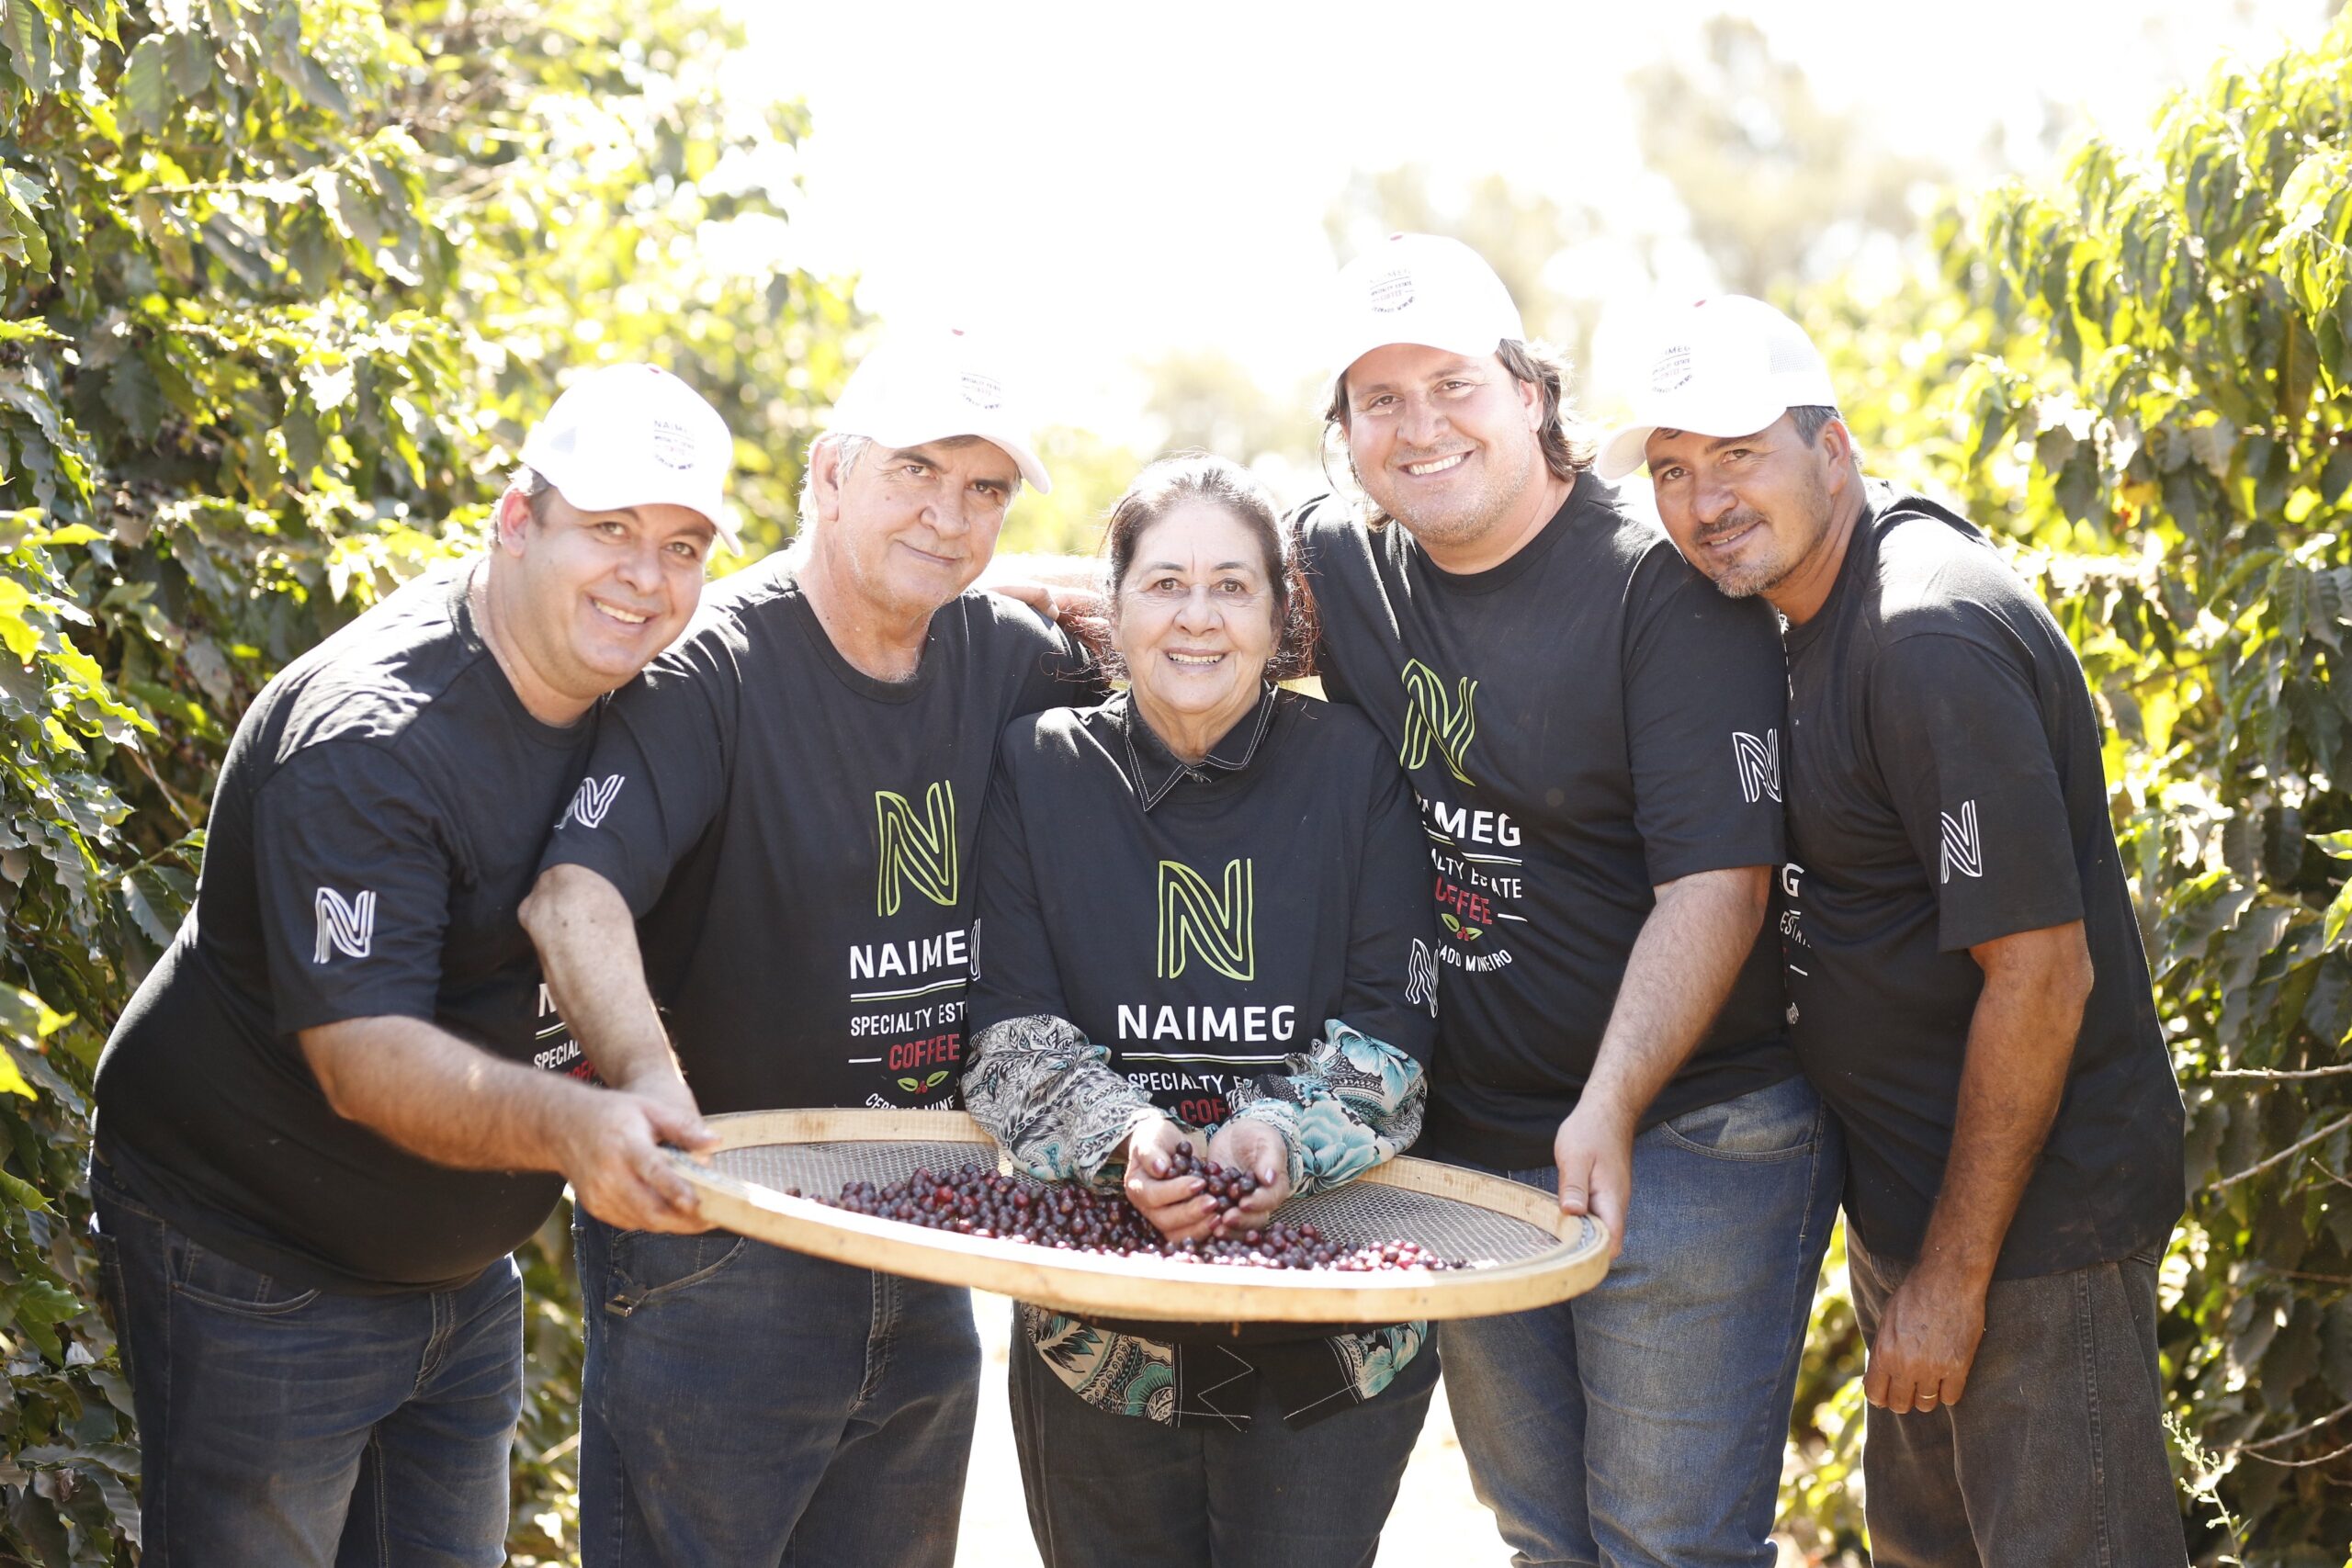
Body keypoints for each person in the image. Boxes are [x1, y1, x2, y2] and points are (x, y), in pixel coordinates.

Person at [87, 363, 736, 1565]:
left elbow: (803, 606)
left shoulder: (635, 678)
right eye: (610, 530)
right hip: (253, 1254)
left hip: (455, 1265)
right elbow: (363, 1056)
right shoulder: (373, 742)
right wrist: (582, 1128)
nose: (649, 578)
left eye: (683, 544)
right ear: (515, 519)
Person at [1606, 294, 2187, 1566]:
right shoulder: (1811, 604)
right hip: (1925, 1214)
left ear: (1835, 448)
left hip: (2029, 1233)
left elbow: (2041, 973)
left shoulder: (1925, 634)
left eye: (1737, 454)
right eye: (1672, 469)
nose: (1704, 502)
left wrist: (1955, 1276)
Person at [1294, 235, 1840, 1568]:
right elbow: (1173, 591)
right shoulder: (1351, 566)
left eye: (1453, 383)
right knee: (1544, 1536)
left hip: (1690, 1136)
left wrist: (1612, 1099)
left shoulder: (1654, 582)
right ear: (1348, 437)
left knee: (1667, 1546)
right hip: (1475, 1149)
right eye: (1381, 400)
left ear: (1530, 394)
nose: (1420, 426)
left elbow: (1719, 880)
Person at [519, 327, 1090, 1568]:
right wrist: (658, 1104)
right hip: (725, 1246)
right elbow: (571, 899)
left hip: (922, 1228)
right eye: (917, 472)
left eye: (985, 488)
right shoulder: (711, 667)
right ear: (830, 473)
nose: (950, 514)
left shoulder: (1001, 653)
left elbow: (1191, 648)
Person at [962, 454, 1442, 1568]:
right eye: (1165, 582)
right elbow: (1007, 1029)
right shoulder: (1037, 770)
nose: (1197, 617)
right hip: (1099, 1327)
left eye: (1233, 585)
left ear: (1279, 619)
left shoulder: (1354, 767)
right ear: (1111, 606)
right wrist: (1132, 1139)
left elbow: (1392, 1032)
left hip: (1332, 1322)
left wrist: (1275, 1134)